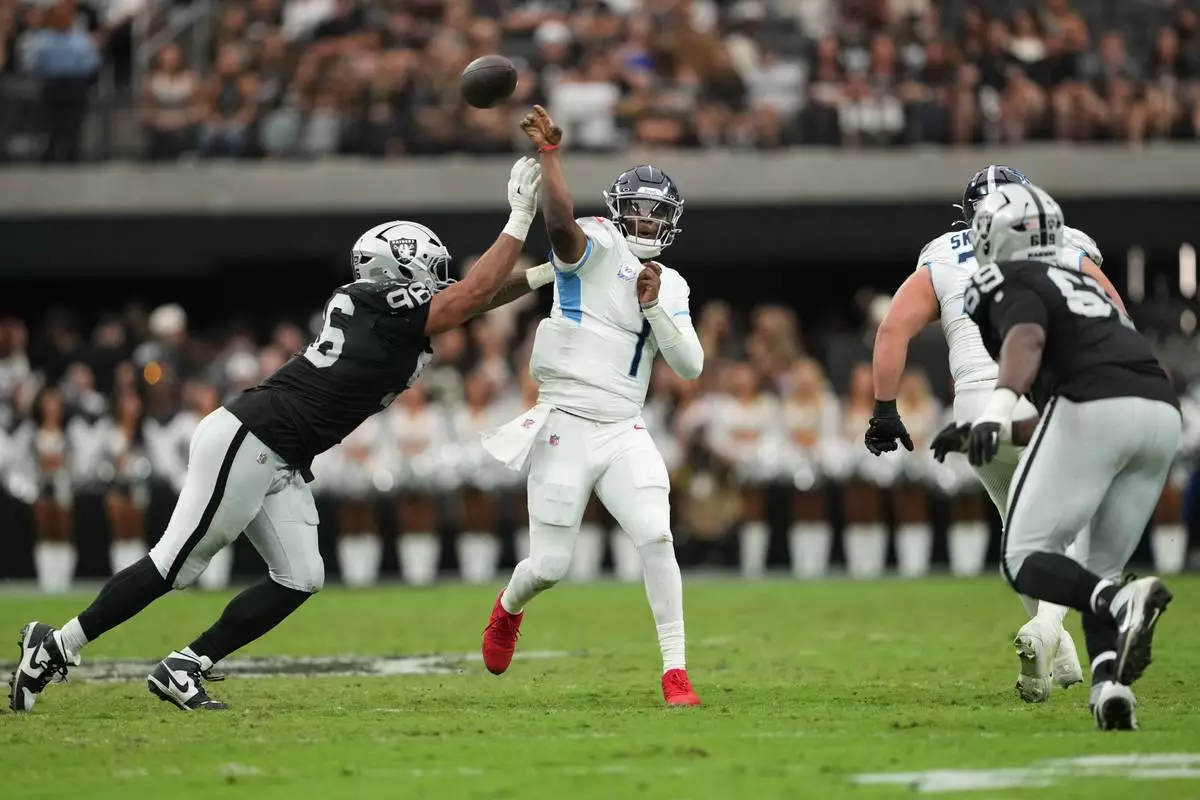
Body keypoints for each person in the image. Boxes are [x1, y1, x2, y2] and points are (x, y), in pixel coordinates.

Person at [9, 156, 546, 713]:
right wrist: (519, 216)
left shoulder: (383, 306)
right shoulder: (382, 303)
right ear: (398, 272)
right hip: (254, 436)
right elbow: (472, 296)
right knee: (177, 563)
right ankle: (56, 645)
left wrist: (546, 273)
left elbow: (474, 296)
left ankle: (186, 665)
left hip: (280, 449)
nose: (437, 281)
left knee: (300, 575)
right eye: (429, 271)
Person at [865, 165, 1126, 704]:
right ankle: (1046, 629)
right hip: (1039, 393)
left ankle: (1058, 658)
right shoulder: (1063, 240)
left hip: (973, 406)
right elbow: (1115, 314)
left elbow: (892, 327)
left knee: (1019, 533)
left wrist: (884, 409)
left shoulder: (943, 253)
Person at [479, 105, 704, 706]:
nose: (646, 221)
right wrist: (552, 156)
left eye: (658, 213)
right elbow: (559, 228)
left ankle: (675, 671)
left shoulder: (672, 283)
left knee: (657, 536)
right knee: (550, 567)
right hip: (567, 422)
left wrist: (654, 308)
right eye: (638, 209)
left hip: (624, 428)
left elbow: (690, 366)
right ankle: (508, 607)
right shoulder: (596, 240)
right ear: (618, 209)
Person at [934, 182, 1180, 731]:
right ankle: (1110, 689)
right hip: (1159, 411)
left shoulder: (1004, 279)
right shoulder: (1081, 280)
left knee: (1023, 557)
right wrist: (999, 428)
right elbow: (1065, 405)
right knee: (1097, 562)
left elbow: (1025, 339)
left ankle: (1119, 603)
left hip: (1097, 410)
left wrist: (996, 408)